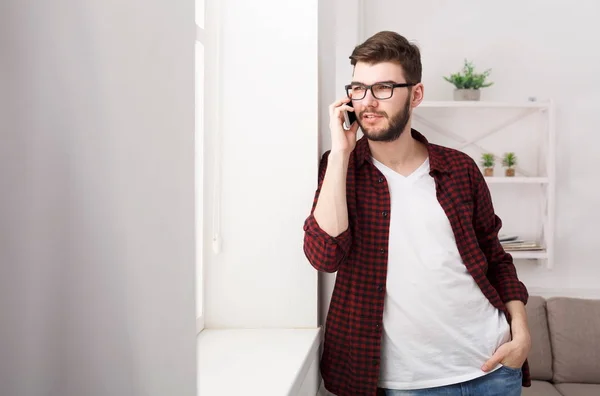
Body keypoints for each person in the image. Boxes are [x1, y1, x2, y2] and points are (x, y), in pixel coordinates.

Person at [302, 31, 532, 396]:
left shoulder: (459, 168)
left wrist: (521, 333)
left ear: (416, 94)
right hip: (401, 384)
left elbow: (495, 257)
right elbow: (324, 256)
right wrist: (341, 153)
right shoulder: (340, 169)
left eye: (383, 88)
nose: (368, 102)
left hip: (493, 368)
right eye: (358, 88)